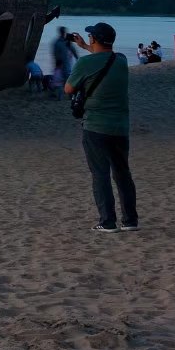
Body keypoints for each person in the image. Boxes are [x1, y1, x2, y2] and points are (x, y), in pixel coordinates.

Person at [64, 22, 137, 233]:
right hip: (120, 127)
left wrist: (86, 50)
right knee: (122, 172)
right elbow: (106, 58)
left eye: (90, 37)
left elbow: (69, 88)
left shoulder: (85, 64)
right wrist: (85, 46)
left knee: (100, 174)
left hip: (96, 126)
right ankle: (130, 220)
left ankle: (107, 222)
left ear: (94, 39)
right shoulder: (121, 60)